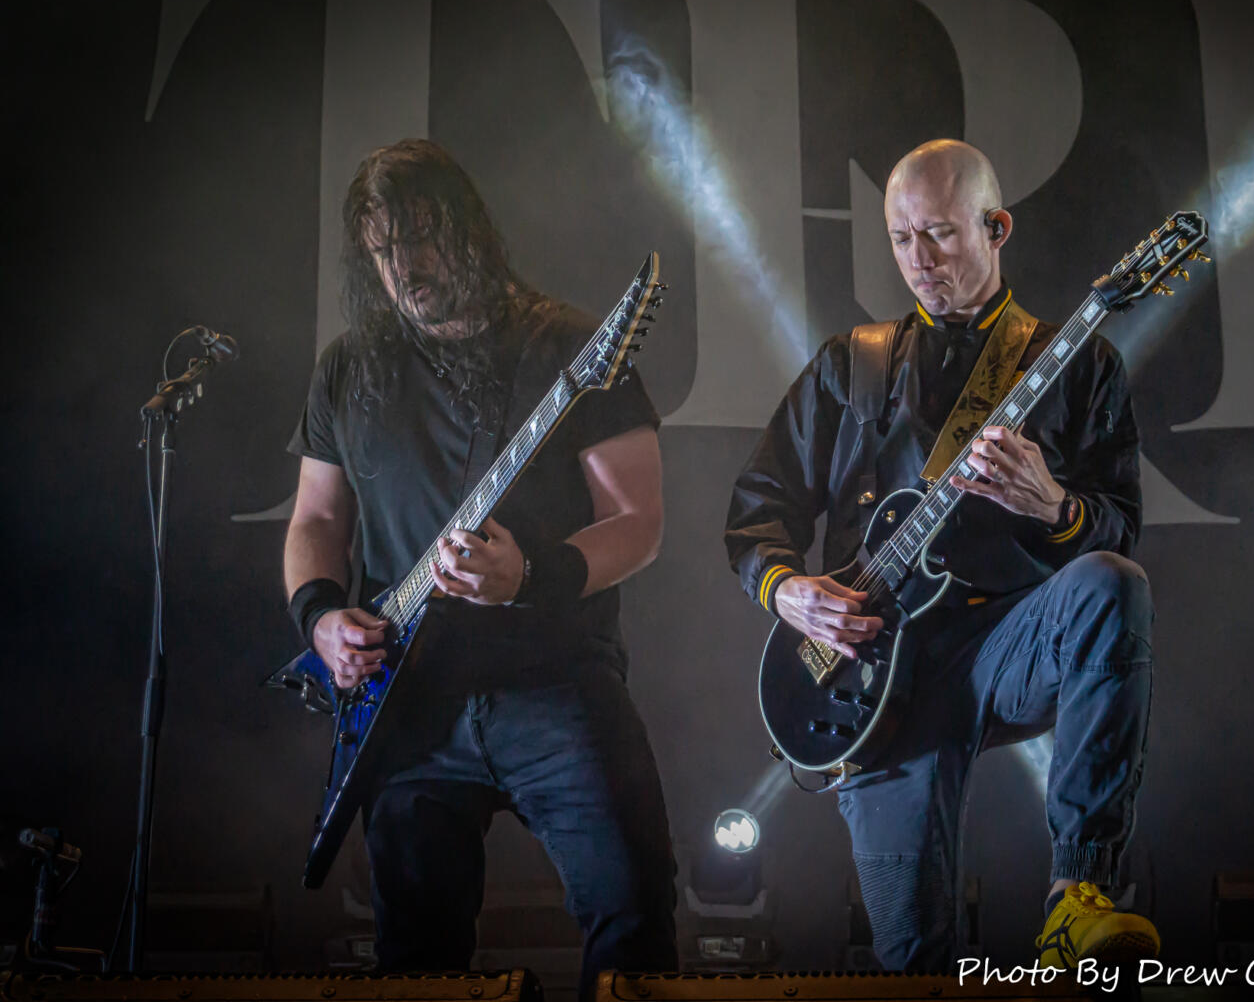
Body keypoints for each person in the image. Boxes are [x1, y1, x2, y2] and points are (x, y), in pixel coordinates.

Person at [726, 139, 1159, 971]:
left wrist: (1058, 509)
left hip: (1006, 646)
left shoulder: (1077, 364)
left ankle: (1079, 896)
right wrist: (788, 591)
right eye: (901, 240)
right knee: (912, 962)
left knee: (1113, 583)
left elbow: (1118, 527)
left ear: (996, 228)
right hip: (871, 679)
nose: (919, 262)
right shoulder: (850, 367)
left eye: (940, 235)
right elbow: (756, 511)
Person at [283, 139, 677, 998]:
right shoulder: (348, 370)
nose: (406, 267)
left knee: (634, 925)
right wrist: (321, 617)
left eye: (421, 237)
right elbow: (316, 518)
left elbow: (638, 523)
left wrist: (530, 575)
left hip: (557, 689)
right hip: (409, 710)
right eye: (384, 249)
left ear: (468, 231)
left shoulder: (571, 346)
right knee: (415, 961)